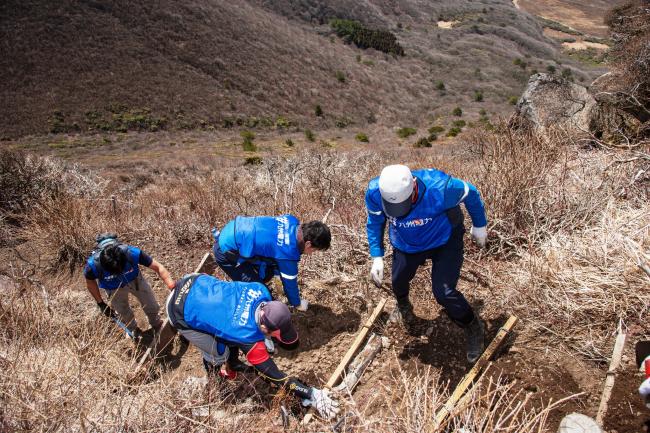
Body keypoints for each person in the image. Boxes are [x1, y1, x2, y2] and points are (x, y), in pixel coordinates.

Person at [166, 273, 340, 419]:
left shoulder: (260, 290)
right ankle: (214, 380)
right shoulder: (246, 337)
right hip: (178, 309)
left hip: (195, 281)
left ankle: (230, 359)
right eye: (274, 335)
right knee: (220, 353)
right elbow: (277, 378)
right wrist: (310, 394)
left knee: (224, 329)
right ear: (264, 327)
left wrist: (266, 337)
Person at [365, 164, 488, 363]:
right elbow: (375, 222)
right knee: (398, 281)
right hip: (406, 243)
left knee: (444, 292)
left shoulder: (441, 188)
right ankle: (404, 306)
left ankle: (472, 324)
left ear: (414, 186)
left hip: (444, 240)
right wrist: (376, 256)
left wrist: (480, 225)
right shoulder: (374, 192)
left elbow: (470, 192)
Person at [212, 215, 331, 311]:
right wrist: (298, 304)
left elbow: (273, 245)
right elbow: (290, 285)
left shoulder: (292, 221)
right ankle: (242, 308)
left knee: (268, 272)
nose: (311, 254)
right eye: (314, 250)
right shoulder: (288, 252)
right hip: (226, 251)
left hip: (234, 228)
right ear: (308, 244)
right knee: (261, 294)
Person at [84, 233, 175, 336]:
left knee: (151, 304)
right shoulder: (92, 266)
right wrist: (100, 303)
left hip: (135, 280)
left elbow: (158, 267)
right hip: (113, 288)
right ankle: (132, 328)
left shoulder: (131, 253)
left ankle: (156, 322)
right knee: (123, 311)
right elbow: (90, 283)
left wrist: (172, 286)